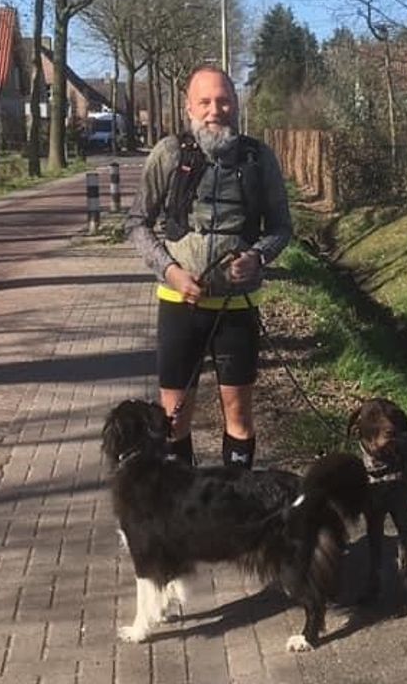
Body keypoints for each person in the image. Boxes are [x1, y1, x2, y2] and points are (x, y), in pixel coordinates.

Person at [124, 65, 292, 469]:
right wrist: (170, 271)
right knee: (175, 420)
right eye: (205, 101)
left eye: (223, 100)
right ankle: (184, 516)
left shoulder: (259, 157)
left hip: (238, 310)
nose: (215, 109)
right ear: (189, 109)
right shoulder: (169, 153)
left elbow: (282, 228)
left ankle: (236, 512)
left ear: (236, 105)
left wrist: (258, 257)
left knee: (239, 419)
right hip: (181, 306)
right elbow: (136, 223)